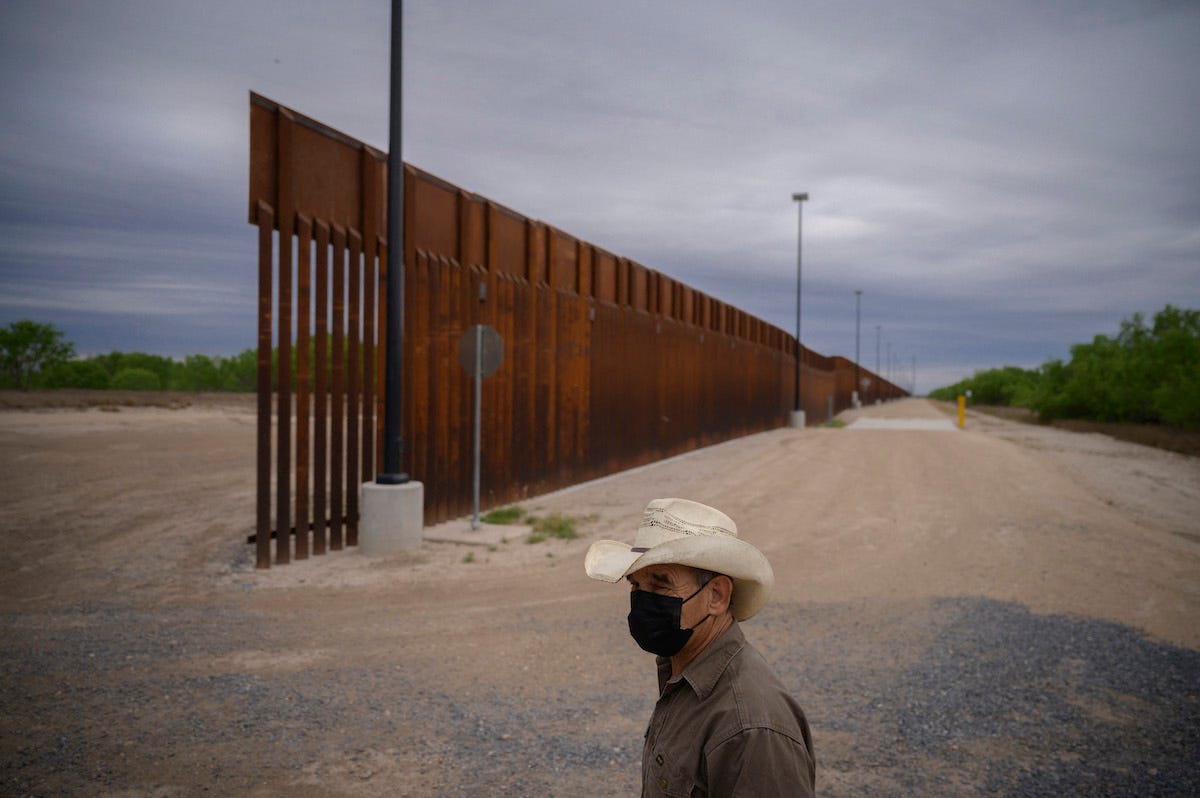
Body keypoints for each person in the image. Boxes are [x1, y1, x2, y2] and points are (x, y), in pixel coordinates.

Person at [585, 497, 816, 797]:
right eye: (636, 586)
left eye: (660, 585)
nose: (643, 600)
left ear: (717, 596)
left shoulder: (750, 726)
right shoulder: (684, 672)